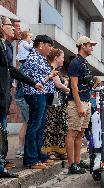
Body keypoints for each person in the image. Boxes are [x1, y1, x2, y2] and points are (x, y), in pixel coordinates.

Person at [0, 15, 43, 178]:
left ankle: (1, 165)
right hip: (2, 94)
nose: (13, 28)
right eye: (10, 25)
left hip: (4, 95)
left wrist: (33, 83)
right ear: (1, 27)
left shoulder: (6, 47)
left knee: (2, 131)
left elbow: (12, 70)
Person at [22, 35, 58, 169]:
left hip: (41, 94)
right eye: (49, 46)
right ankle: (31, 159)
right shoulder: (34, 58)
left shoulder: (41, 58)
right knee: (34, 127)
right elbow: (38, 83)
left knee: (39, 127)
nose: (51, 49)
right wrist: (50, 76)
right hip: (35, 94)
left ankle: (38, 155)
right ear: (41, 44)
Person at [65, 36, 96, 174]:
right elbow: (74, 86)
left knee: (80, 133)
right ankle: (71, 165)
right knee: (72, 133)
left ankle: (77, 161)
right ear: (82, 45)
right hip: (77, 102)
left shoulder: (84, 62)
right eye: (90, 45)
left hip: (86, 101)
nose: (92, 47)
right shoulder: (75, 63)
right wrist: (79, 106)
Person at [42, 48, 70, 160]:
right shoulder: (50, 68)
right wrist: (70, 90)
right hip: (51, 102)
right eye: (62, 57)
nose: (63, 60)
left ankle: (59, 150)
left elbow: (62, 83)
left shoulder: (58, 70)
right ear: (56, 58)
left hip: (59, 102)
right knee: (50, 127)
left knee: (60, 126)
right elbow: (58, 85)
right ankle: (50, 151)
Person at [15, 31, 33, 159]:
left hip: (21, 97)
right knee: (28, 122)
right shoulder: (25, 67)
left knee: (26, 123)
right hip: (23, 97)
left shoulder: (22, 67)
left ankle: (21, 148)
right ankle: (22, 149)